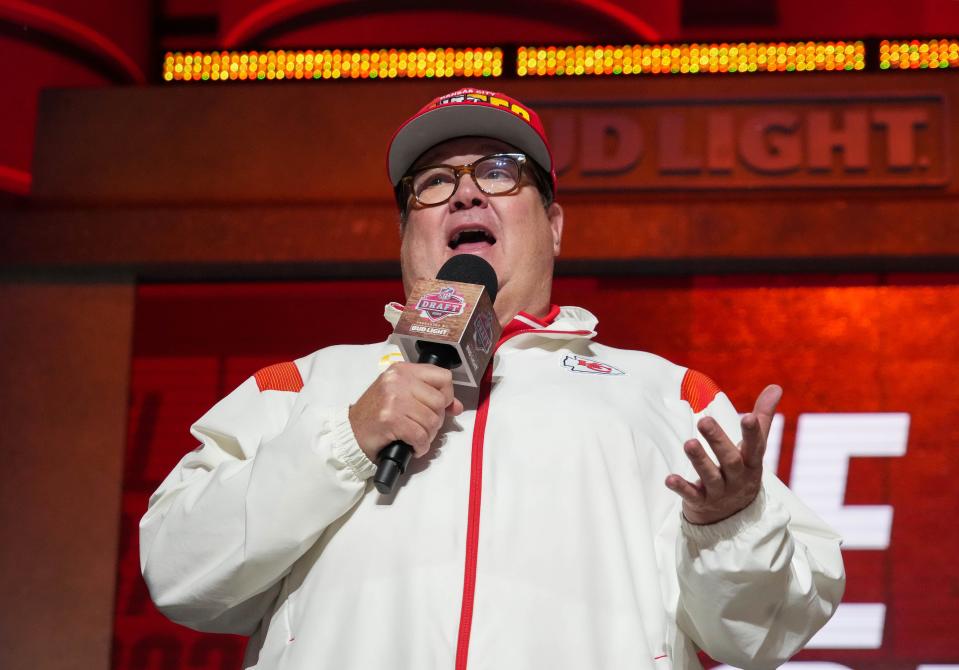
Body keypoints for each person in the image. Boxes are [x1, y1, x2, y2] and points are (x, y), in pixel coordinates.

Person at [140, 88, 845, 670]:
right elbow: (179, 575)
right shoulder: (301, 386)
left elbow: (763, 633)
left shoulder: (666, 394)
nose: (465, 195)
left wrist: (731, 526)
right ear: (405, 232)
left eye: (499, 172)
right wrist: (346, 440)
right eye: (435, 183)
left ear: (554, 224)